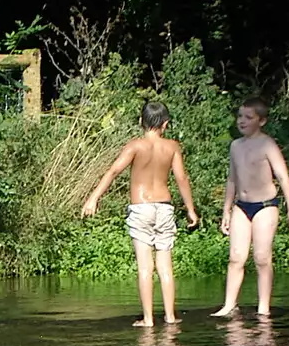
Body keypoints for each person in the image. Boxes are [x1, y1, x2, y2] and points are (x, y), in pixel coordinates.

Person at [81, 101, 200, 327]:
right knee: (165, 267)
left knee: (146, 267)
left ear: (140, 122)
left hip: (141, 208)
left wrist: (93, 197)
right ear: (165, 124)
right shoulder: (172, 147)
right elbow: (182, 179)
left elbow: (114, 171)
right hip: (165, 207)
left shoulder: (135, 146)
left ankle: (148, 319)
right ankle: (171, 316)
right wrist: (191, 210)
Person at [212, 98, 289, 319]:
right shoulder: (235, 146)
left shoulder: (267, 144)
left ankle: (263, 307)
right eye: (240, 116)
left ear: (261, 121)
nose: (242, 121)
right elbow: (232, 179)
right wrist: (226, 209)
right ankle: (229, 304)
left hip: (265, 205)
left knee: (261, 257)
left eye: (248, 117)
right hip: (241, 206)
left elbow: (282, 176)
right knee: (235, 257)